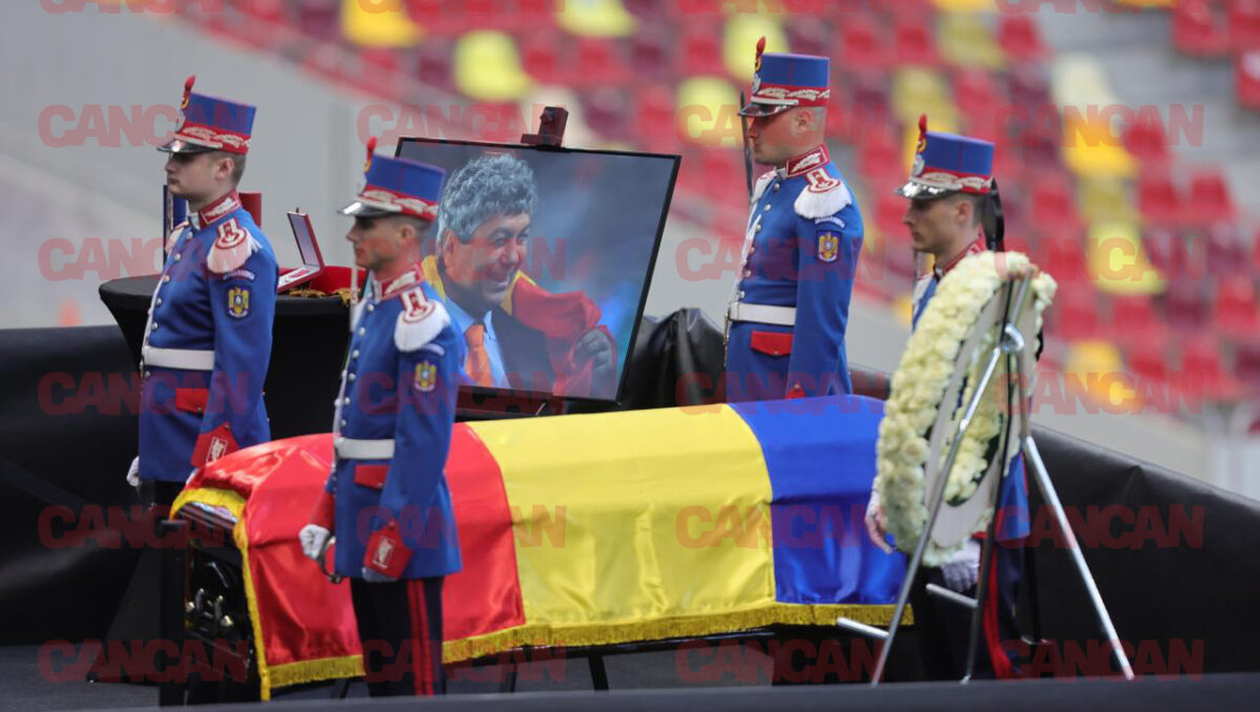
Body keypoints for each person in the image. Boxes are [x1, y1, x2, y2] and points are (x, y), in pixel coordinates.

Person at [865, 116, 1031, 680]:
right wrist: (889, 486)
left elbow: (995, 417)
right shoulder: (932, 285)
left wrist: (966, 530)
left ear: (963, 210)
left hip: (972, 522)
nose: (908, 215)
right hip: (927, 509)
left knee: (979, 675)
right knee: (937, 670)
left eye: (924, 203)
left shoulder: (995, 293)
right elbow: (919, 400)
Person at [300, 140, 463, 697]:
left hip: (401, 530)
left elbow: (422, 449)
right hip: (363, 514)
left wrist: (394, 534)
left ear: (407, 233)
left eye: (367, 223)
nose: (353, 235)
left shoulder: (422, 321)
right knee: (383, 686)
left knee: (412, 689)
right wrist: (328, 510)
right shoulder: (377, 311)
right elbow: (352, 433)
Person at [127, 75, 277, 507]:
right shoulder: (192, 237)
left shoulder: (237, 248)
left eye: (185, 157)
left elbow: (241, 368)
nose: (170, 165)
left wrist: (215, 453)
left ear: (223, 168)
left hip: (203, 441)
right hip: (173, 437)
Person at [725, 37, 864, 403]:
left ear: (803, 120)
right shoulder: (777, 186)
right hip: (754, 374)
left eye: (766, 118)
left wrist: (802, 406)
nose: (751, 130)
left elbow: (820, 322)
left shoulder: (824, 200)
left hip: (781, 384)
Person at [421, 152, 617, 400]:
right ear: (450, 247)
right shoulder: (406, 328)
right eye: (499, 240)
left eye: (522, 238)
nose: (514, 257)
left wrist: (595, 373)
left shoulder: (539, 341)